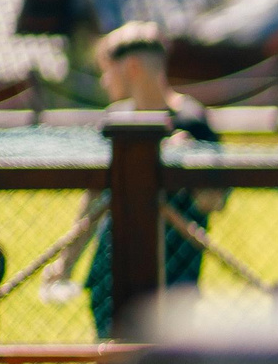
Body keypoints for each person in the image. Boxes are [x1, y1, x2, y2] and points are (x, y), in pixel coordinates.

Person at [83, 22, 222, 337]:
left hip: (175, 275)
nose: (104, 82)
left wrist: (186, 163)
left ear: (131, 66)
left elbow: (214, 202)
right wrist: (65, 264)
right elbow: (92, 198)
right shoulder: (114, 120)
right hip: (111, 271)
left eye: (108, 71)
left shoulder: (193, 122)